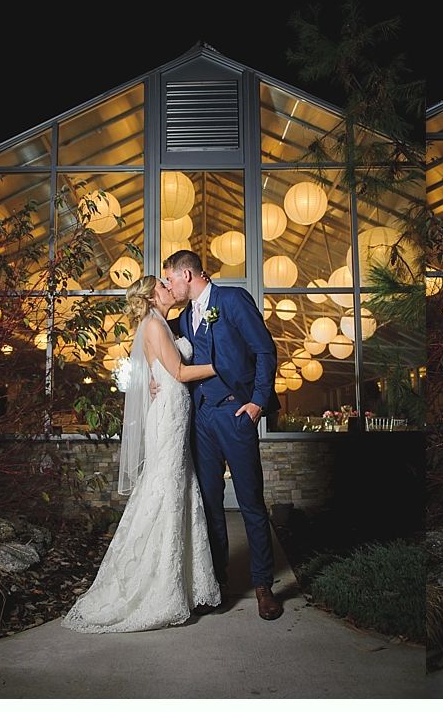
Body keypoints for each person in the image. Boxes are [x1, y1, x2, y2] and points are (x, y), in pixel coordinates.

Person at [63, 276, 221, 632]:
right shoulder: (152, 325)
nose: (169, 286)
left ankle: (180, 583)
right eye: (164, 284)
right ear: (152, 295)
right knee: (163, 491)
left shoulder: (163, 322)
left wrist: (159, 378)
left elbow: (164, 370)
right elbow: (178, 371)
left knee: (176, 489)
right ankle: (155, 587)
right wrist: (221, 367)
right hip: (169, 414)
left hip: (173, 410)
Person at [162, 250, 283, 621]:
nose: (168, 285)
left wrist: (257, 403)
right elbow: (165, 352)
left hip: (235, 412)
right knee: (209, 503)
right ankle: (217, 583)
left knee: (250, 502)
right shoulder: (182, 316)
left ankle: (263, 586)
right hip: (201, 418)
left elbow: (265, 350)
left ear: (186, 274)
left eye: (170, 279)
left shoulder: (231, 299)